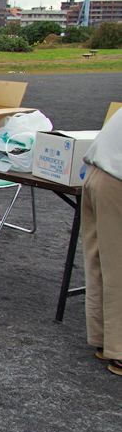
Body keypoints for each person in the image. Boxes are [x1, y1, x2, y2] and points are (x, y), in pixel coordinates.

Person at [81, 109, 122, 376]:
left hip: (100, 171)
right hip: (117, 177)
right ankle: (119, 351)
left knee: (101, 263)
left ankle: (104, 340)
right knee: (117, 267)